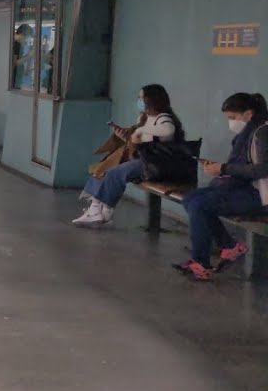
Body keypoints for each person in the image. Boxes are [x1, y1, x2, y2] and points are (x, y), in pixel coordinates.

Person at [174, 93, 268, 281]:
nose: (230, 123)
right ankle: (229, 246)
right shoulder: (248, 133)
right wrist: (220, 169)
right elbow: (243, 167)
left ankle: (201, 263)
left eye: (232, 118)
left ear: (249, 114)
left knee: (199, 205)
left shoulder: (262, 133)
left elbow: (262, 169)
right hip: (246, 189)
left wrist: (224, 168)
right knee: (190, 198)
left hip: (260, 195)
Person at [73, 85, 183, 226]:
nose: (139, 101)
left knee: (116, 172)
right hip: (146, 159)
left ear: (152, 99)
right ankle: (95, 209)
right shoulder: (145, 118)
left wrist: (140, 131)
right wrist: (126, 137)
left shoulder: (164, 118)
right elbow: (140, 143)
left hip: (158, 164)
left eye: (142, 98)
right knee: (104, 167)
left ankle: (105, 212)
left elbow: (168, 130)